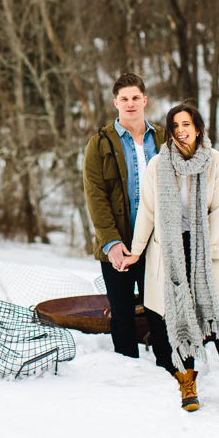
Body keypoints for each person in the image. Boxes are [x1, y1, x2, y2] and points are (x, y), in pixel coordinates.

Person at [122, 103, 219, 411]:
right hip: (169, 249)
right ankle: (187, 385)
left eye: (186, 124)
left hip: (206, 250)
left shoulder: (216, 162)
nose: (181, 130)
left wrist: (213, 249)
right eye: (175, 125)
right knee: (179, 317)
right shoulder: (158, 165)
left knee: (218, 319)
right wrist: (137, 250)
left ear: (198, 127)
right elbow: (148, 213)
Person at [82, 73, 165, 358]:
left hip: (156, 243)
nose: (130, 104)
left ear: (144, 100)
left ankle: (167, 367)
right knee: (121, 313)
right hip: (119, 244)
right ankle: (127, 371)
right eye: (124, 99)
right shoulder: (100, 143)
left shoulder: (163, 139)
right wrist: (111, 242)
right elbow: (95, 195)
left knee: (160, 311)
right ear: (116, 102)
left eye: (135, 98)